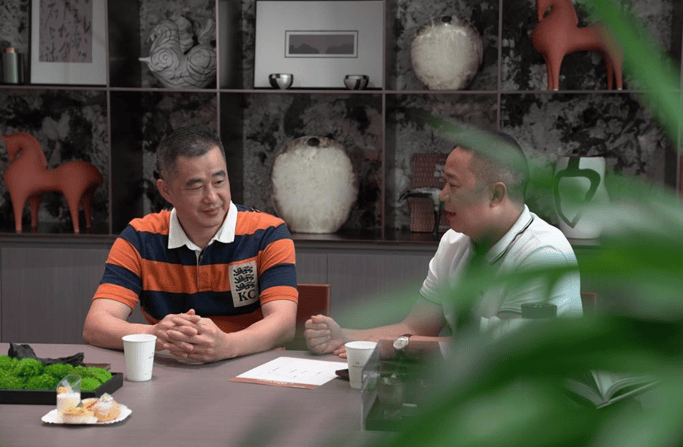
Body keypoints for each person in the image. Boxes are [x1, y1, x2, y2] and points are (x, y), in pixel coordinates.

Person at [305, 131, 582, 357]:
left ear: (496, 195)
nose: (441, 195)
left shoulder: (543, 254)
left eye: (453, 185)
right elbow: (416, 327)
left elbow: (504, 352)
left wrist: (400, 347)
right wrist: (346, 337)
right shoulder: (454, 242)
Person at [83, 124, 298, 363]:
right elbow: (96, 325)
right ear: (166, 191)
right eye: (196, 187)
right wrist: (155, 334)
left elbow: (284, 324)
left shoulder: (268, 233)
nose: (212, 198)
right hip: (171, 368)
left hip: (249, 365)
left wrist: (227, 346)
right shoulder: (139, 238)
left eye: (219, 181)